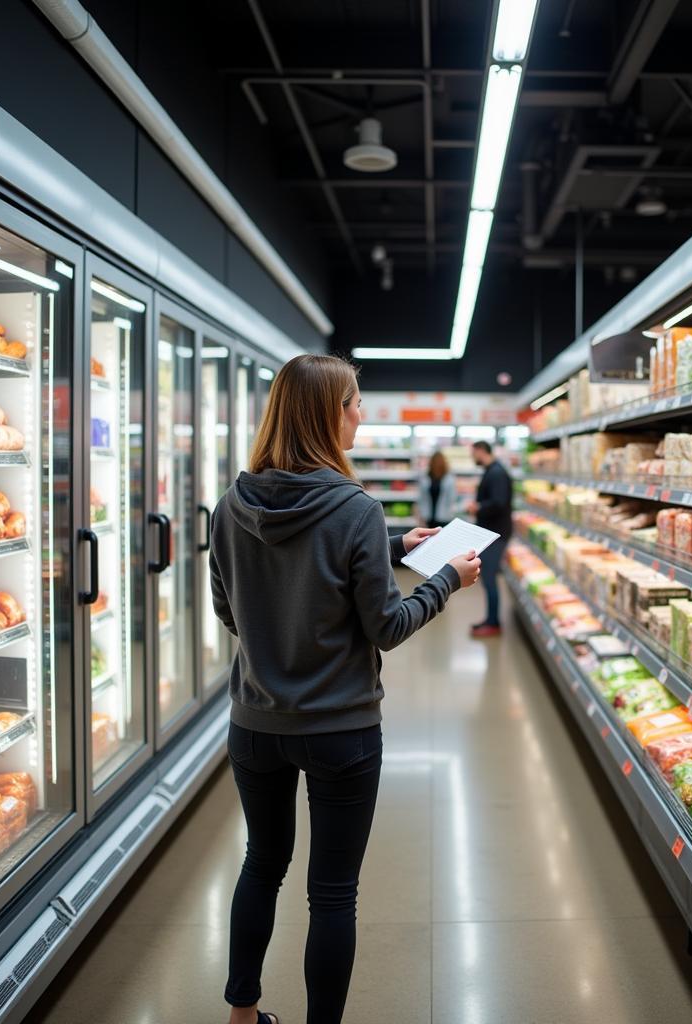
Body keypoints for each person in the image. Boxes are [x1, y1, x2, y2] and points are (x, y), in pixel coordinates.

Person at [208, 354, 481, 1024]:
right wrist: (445, 578)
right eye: (354, 403)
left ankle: (243, 1015)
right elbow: (386, 626)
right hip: (340, 730)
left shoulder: (231, 505)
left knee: (261, 863)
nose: (362, 413)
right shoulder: (354, 506)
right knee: (332, 894)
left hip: (255, 724)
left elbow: (230, 611)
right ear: (327, 415)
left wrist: (391, 545)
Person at [465, 439, 513, 638]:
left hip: (496, 534)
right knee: (487, 579)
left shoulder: (497, 473)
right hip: (490, 532)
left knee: (490, 578)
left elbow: (499, 502)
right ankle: (490, 618)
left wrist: (479, 507)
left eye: (473, 453)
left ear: (481, 451)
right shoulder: (492, 471)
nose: (472, 457)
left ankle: (494, 623)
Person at [418, 450, 457, 529]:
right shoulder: (425, 476)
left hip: (444, 517)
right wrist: (420, 516)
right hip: (428, 517)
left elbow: (452, 498)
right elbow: (421, 498)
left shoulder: (449, 477)